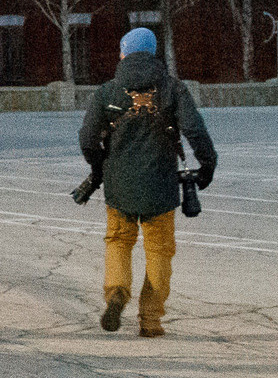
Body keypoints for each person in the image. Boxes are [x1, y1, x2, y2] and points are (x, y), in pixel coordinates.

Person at [77, 28, 216, 338]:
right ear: (153, 54)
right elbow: (195, 131)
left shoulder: (107, 92)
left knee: (118, 241)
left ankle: (117, 292)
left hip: (119, 186)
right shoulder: (173, 89)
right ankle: (151, 322)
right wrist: (208, 164)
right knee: (159, 250)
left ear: (123, 54)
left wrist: (99, 167)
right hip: (161, 187)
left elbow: (87, 138)